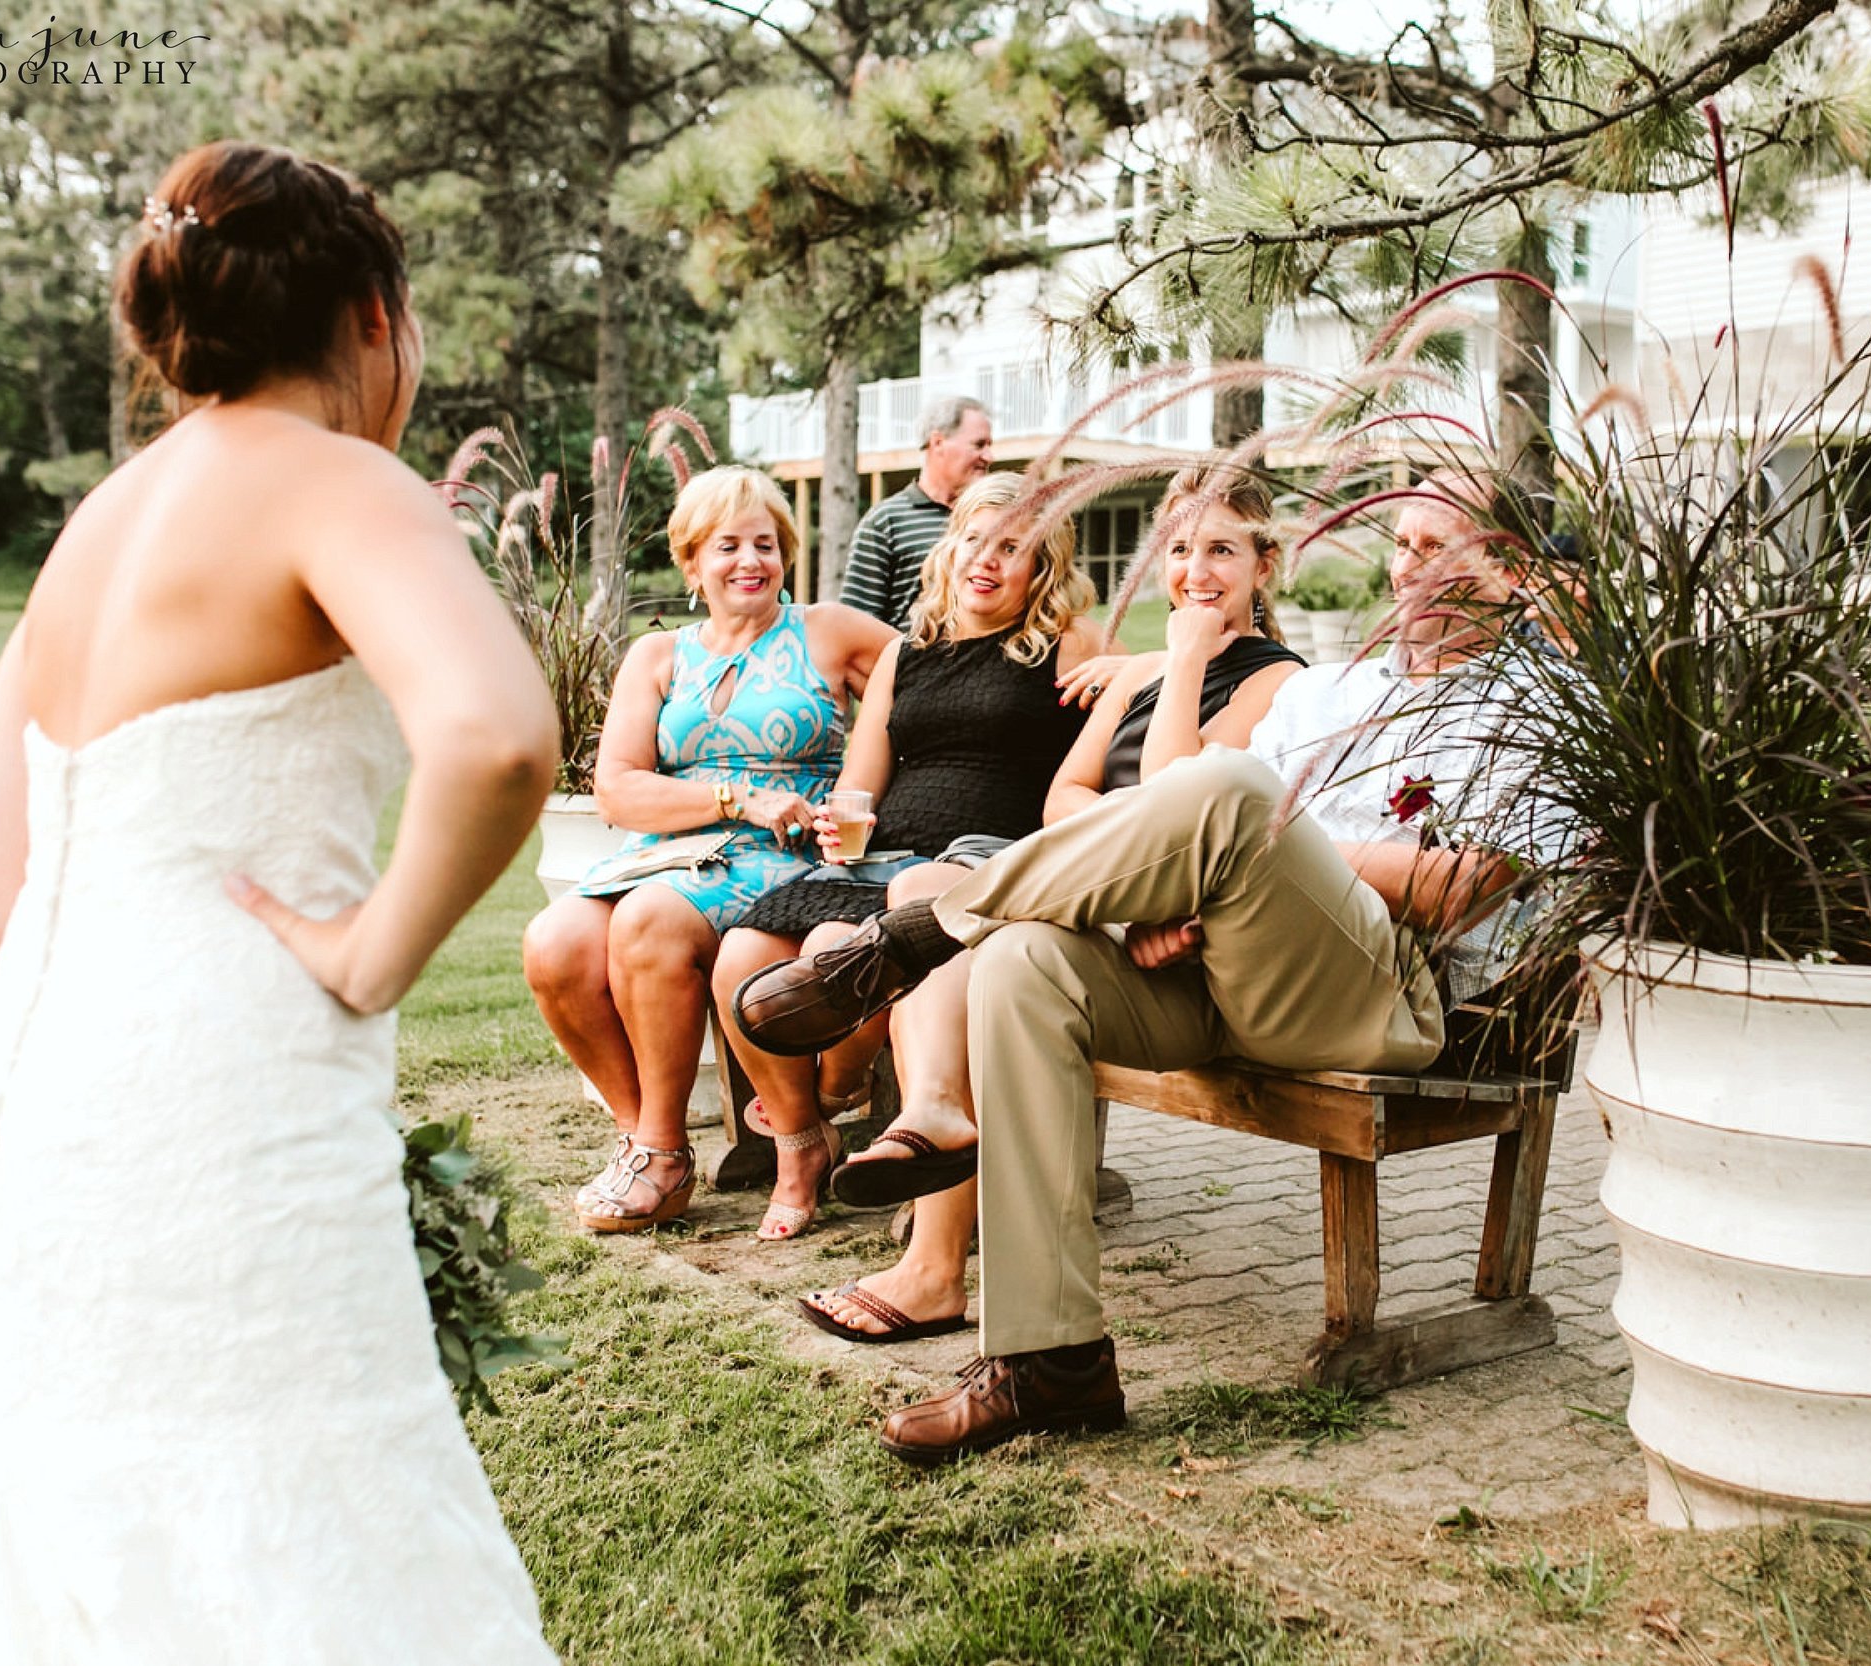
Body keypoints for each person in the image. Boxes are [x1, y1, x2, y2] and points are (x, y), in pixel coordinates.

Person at [0, 142, 561, 1661]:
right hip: (215, 1120)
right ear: (372, 314)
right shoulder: (341, 479)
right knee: (313, 1527)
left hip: (23, 1133)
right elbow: (497, 738)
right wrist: (365, 953)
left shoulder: (101, 523)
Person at [733, 472, 1571, 1462]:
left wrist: (1251, 853)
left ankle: (916, 934)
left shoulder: (1544, 705)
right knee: (1027, 961)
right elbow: (1184, 823)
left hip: (1386, 994)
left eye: (1441, 546)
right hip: (1234, 972)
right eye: (1402, 543)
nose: (1408, 563)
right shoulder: (1337, 688)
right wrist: (1212, 880)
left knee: (1223, 793)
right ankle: (1051, 1361)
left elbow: (1456, 886)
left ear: (1511, 571)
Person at [791, 465, 1308, 1342]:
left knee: (945, 913)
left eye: (1222, 549)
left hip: (1166, 938)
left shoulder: (1275, 681)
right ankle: (934, 1142)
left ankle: (931, 1249)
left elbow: (1181, 804)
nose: (1196, 571)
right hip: (1093, 896)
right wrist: (1126, 831)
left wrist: (1179, 663)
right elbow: (1061, 799)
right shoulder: (1140, 671)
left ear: (1265, 564)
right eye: (1179, 549)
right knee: (930, 897)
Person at [709, 469, 1112, 1252]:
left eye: (1012, 548)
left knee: (834, 955)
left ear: (1044, 568)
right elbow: (862, 779)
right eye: (972, 540)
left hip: (982, 858)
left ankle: (835, 1090)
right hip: (879, 854)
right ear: (947, 548)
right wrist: (838, 819)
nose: (986, 561)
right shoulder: (906, 654)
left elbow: (1132, 706)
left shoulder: (1070, 643)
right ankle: (803, 1144)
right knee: (741, 960)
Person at [522, 467, 891, 1242]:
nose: (749, 560)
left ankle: (660, 1156)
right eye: (727, 546)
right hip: (674, 851)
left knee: (649, 924)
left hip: (787, 854)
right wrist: (731, 797)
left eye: (766, 543)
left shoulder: (830, 632)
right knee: (552, 943)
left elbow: (937, 690)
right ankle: (645, 1137)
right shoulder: (657, 656)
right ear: (692, 563)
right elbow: (618, 790)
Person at [837, 395, 994, 628]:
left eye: (990, 446)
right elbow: (854, 628)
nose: (989, 457)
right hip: (908, 663)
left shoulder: (990, 519)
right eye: (979, 445)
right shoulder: (884, 522)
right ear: (938, 442)